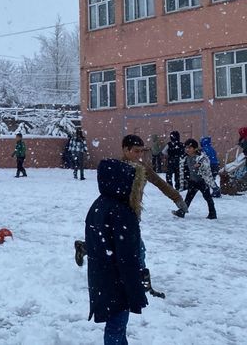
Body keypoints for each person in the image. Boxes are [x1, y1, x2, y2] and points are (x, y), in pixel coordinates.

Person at [75, 135, 188, 299]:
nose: (139, 155)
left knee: (114, 246)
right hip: (116, 217)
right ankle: (142, 283)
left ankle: (84, 248)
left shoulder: (142, 168)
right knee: (137, 249)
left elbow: (160, 183)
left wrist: (176, 198)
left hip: (131, 217)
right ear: (125, 149)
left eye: (141, 151)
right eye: (136, 151)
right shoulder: (117, 168)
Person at [84, 158, 149, 345]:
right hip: (117, 280)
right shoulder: (121, 212)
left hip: (102, 278)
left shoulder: (99, 205)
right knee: (116, 325)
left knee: (117, 325)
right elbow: (128, 256)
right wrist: (135, 286)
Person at [173, 139, 217, 219]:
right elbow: (183, 168)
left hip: (202, 181)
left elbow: (206, 163)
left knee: (207, 197)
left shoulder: (201, 157)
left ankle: (212, 213)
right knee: (188, 198)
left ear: (195, 148)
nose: (187, 149)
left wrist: (200, 164)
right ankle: (182, 212)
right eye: (186, 148)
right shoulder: (185, 157)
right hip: (193, 181)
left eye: (189, 148)